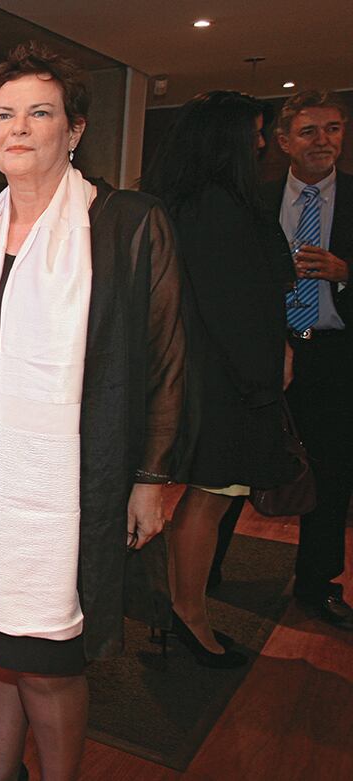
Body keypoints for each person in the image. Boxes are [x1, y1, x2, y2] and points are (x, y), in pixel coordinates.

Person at [0, 44, 184, 781]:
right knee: (0, 656)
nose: (21, 127)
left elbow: (167, 361)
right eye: (4, 115)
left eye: (41, 112)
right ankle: (0, 772)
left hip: (70, 489)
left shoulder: (127, 224)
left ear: (74, 131)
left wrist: (151, 475)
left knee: (49, 661)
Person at [143, 91, 297, 668]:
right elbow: (234, 309)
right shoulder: (216, 206)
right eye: (254, 133)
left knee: (208, 501)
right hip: (223, 383)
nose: (260, 144)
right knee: (207, 502)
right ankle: (189, 616)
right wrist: (265, 374)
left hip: (212, 377)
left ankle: (185, 611)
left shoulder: (195, 202)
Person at [266, 90, 353, 630]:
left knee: (330, 475)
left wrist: (346, 274)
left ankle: (317, 583)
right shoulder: (256, 200)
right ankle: (203, 577)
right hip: (268, 355)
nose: (324, 141)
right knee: (239, 470)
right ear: (283, 142)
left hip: (334, 356)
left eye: (334, 129)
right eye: (309, 131)